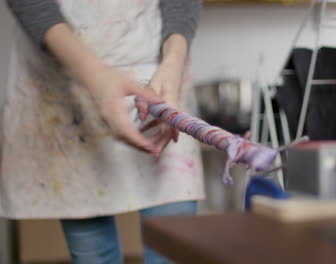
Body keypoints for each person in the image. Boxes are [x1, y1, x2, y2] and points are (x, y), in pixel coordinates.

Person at [2, 0, 205, 263]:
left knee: (170, 248)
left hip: (158, 74)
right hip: (64, 83)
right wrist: (95, 77)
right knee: (95, 256)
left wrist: (173, 65)